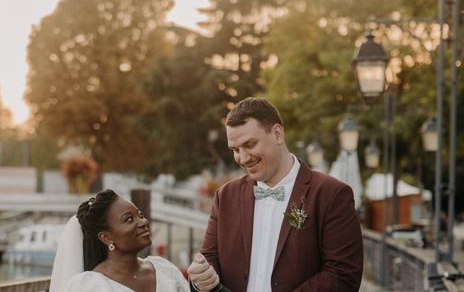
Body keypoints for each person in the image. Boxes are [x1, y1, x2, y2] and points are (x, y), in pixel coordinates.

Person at [188, 97, 363, 292]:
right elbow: (209, 261)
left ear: (277, 134)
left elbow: (343, 275)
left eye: (250, 144)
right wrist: (200, 278)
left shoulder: (331, 194)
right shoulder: (225, 196)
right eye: (235, 150)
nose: (243, 158)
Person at [50, 188, 190, 292]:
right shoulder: (90, 286)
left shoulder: (164, 269)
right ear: (106, 237)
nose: (143, 222)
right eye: (129, 219)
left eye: (140, 215)